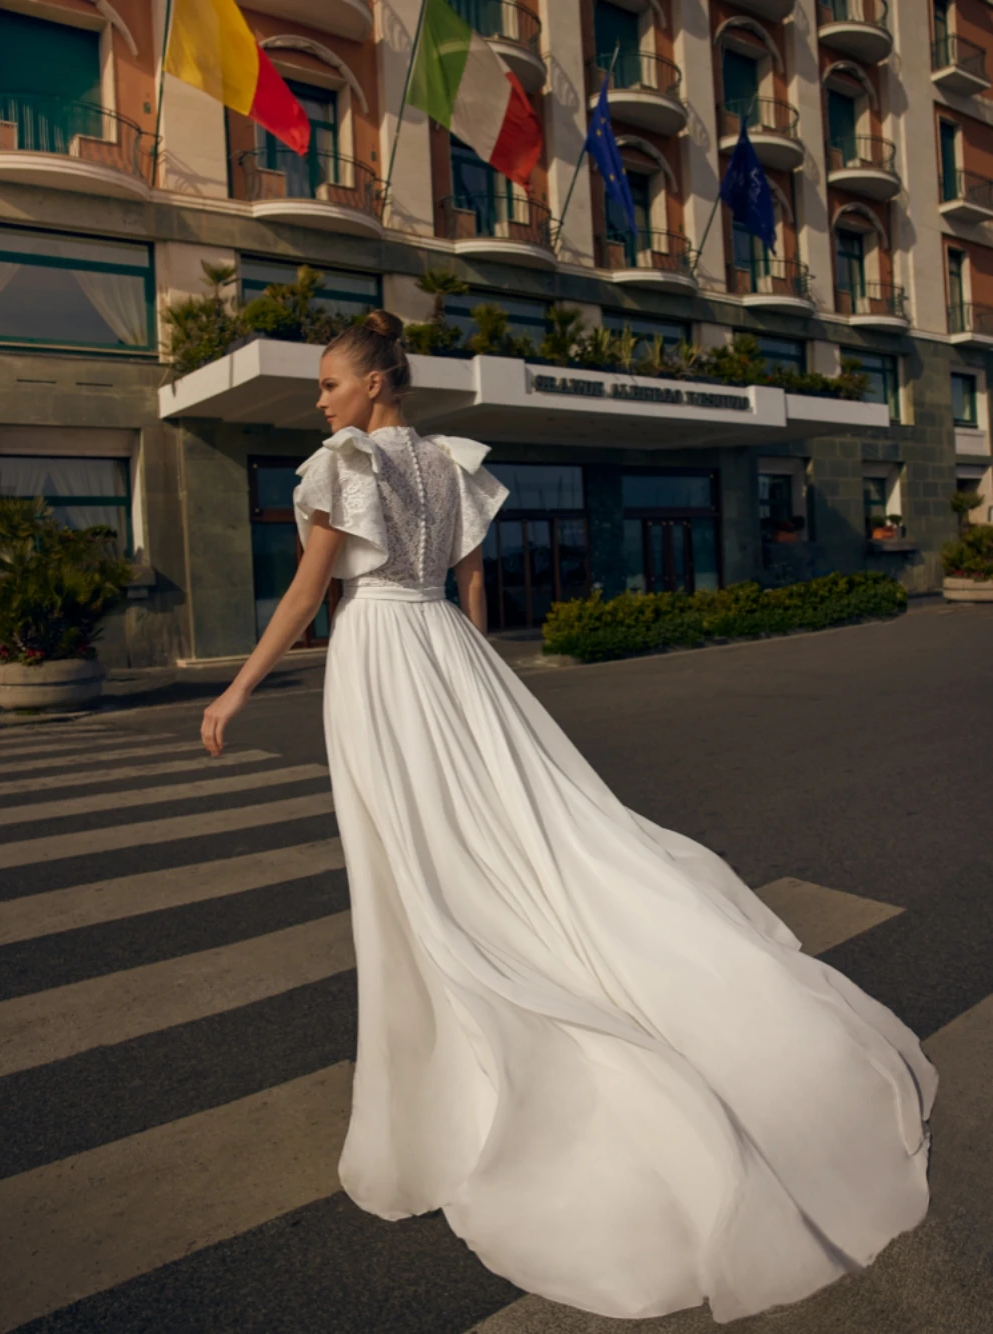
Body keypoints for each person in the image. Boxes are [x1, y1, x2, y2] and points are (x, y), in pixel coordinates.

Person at [200, 309, 937, 1324]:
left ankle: (445, 1097)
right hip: (446, 657)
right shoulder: (447, 463)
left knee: (412, 870)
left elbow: (302, 596)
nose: (319, 399)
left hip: (378, 662)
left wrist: (236, 691)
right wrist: (476, 679)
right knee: (496, 844)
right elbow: (469, 589)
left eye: (330, 383)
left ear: (374, 386)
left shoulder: (347, 460)